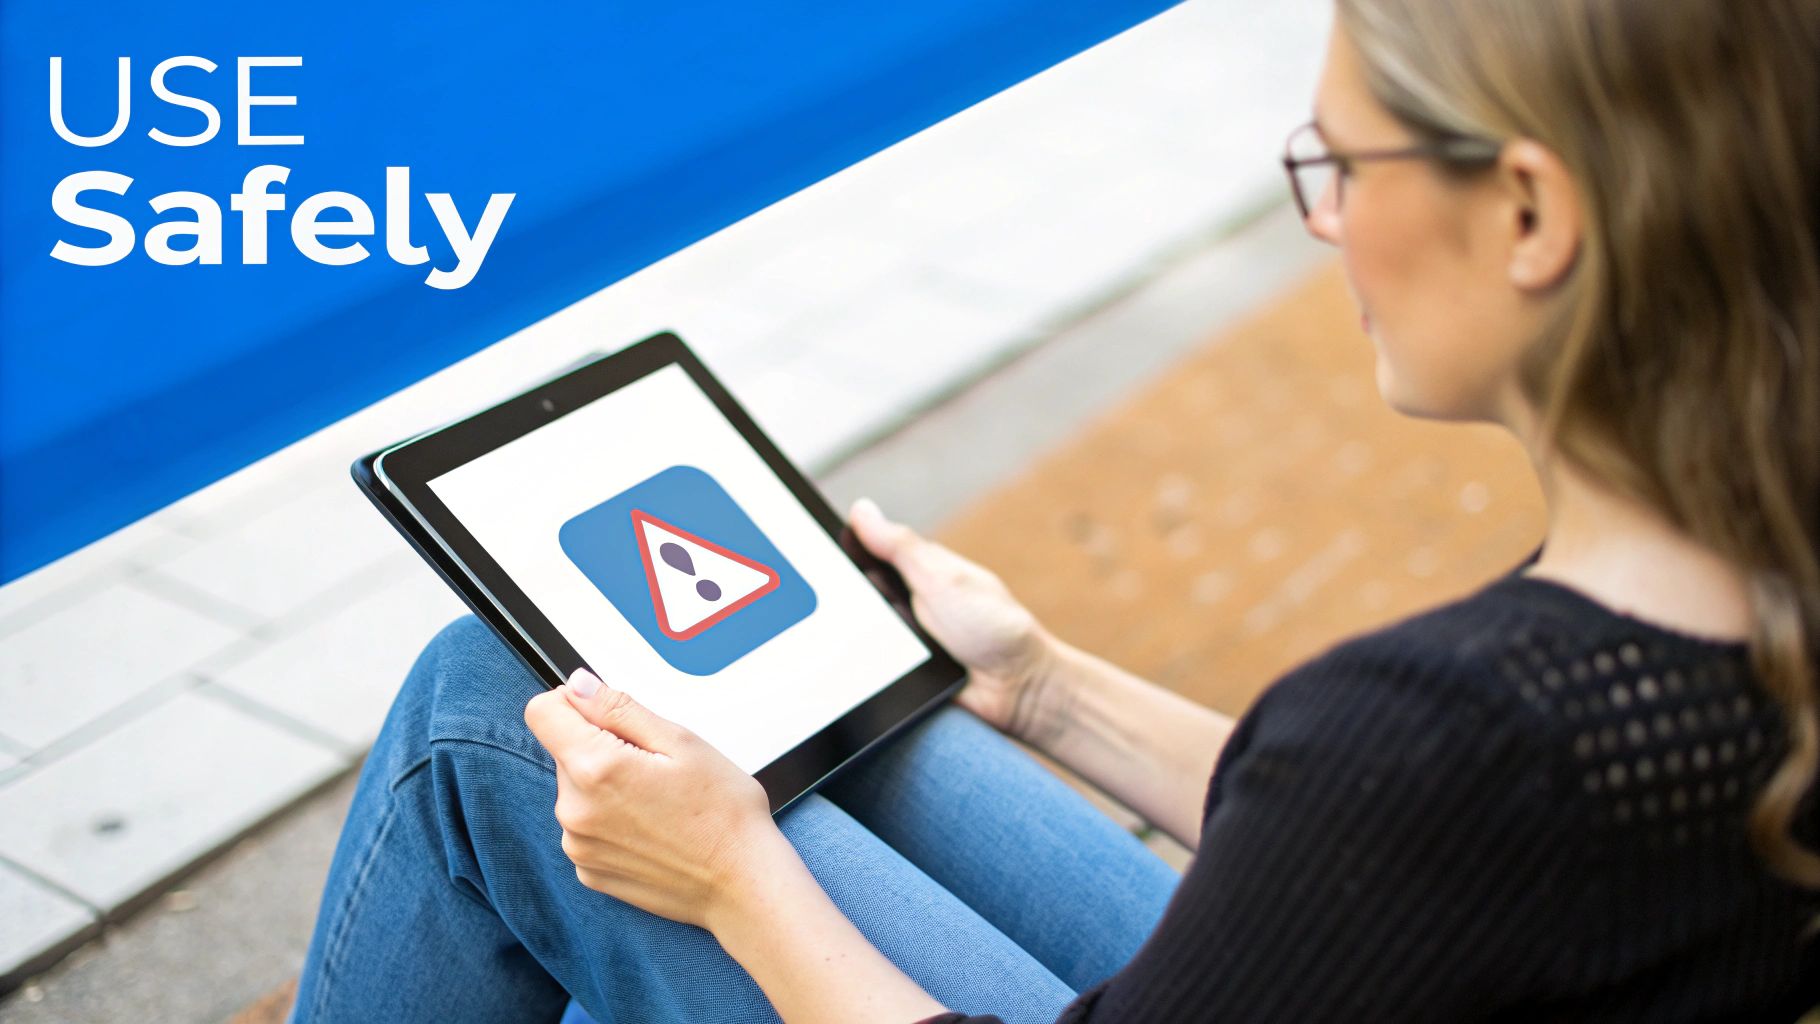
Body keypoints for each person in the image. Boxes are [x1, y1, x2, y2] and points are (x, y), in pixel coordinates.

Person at [289, 0, 1820, 1020]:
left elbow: (1403, 803)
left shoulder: (1447, 726)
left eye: (1344, 163)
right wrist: (1040, 685)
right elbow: (1414, 851)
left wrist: (734, 881)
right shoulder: (1743, 588)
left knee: (490, 715)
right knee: (861, 719)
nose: (1327, 216)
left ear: (1536, 213)